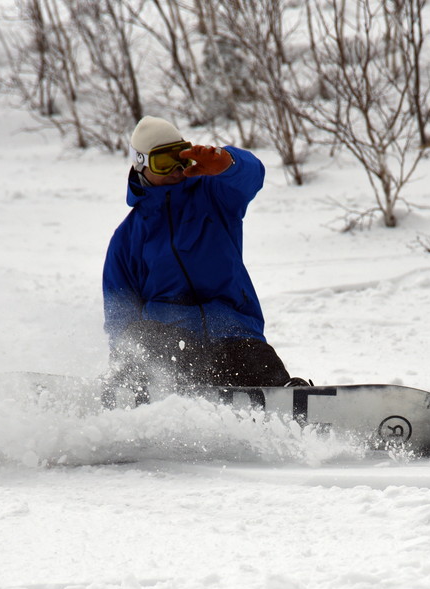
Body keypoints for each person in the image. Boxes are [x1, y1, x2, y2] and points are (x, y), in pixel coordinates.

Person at [102, 116, 307, 400]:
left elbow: (252, 176)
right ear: (142, 164)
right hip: (172, 345)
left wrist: (227, 163)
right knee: (139, 336)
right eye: (164, 162)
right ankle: (130, 397)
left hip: (234, 333)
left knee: (257, 358)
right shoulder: (127, 238)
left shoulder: (216, 196)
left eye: (180, 158)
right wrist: (124, 363)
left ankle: (287, 400)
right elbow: (119, 314)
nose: (176, 169)